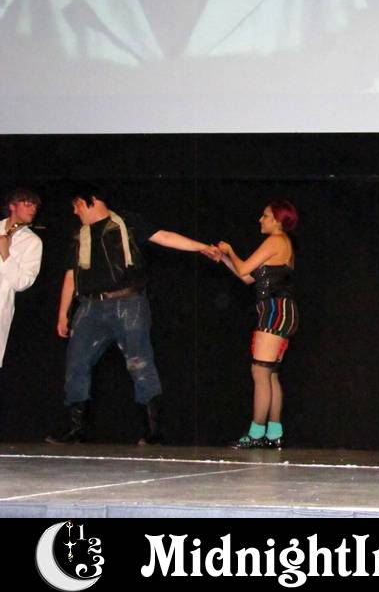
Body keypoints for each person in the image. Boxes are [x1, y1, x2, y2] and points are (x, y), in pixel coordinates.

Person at [46, 184, 220, 445]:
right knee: (76, 364)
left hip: (128, 304)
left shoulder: (127, 223)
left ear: (92, 201)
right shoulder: (79, 235)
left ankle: (152, 432)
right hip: (89, 308)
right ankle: (76, 429)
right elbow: (71, 275)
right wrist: (63, 314)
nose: (75, 211)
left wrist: (201, 247)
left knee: (140, 362)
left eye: (77, 205)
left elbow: (165, 236)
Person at [217, 200, 298, 449]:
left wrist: (230, 250)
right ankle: (273, 433)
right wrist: (224, 258)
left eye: (265, 216)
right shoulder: (281, 243)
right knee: (270, 374)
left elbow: (243, 267)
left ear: (277, 220)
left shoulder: (276, 240)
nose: (260, 220)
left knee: (260, 373)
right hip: (279, 311)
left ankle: (256, 433)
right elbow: (246, 277)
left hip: (275, 311)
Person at [0, 188, 43, 369]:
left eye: (35, 205)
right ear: (12, 206)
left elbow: (23, 283)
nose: (33, 209)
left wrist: (5, 254)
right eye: (27, 204)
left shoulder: (32, 242)